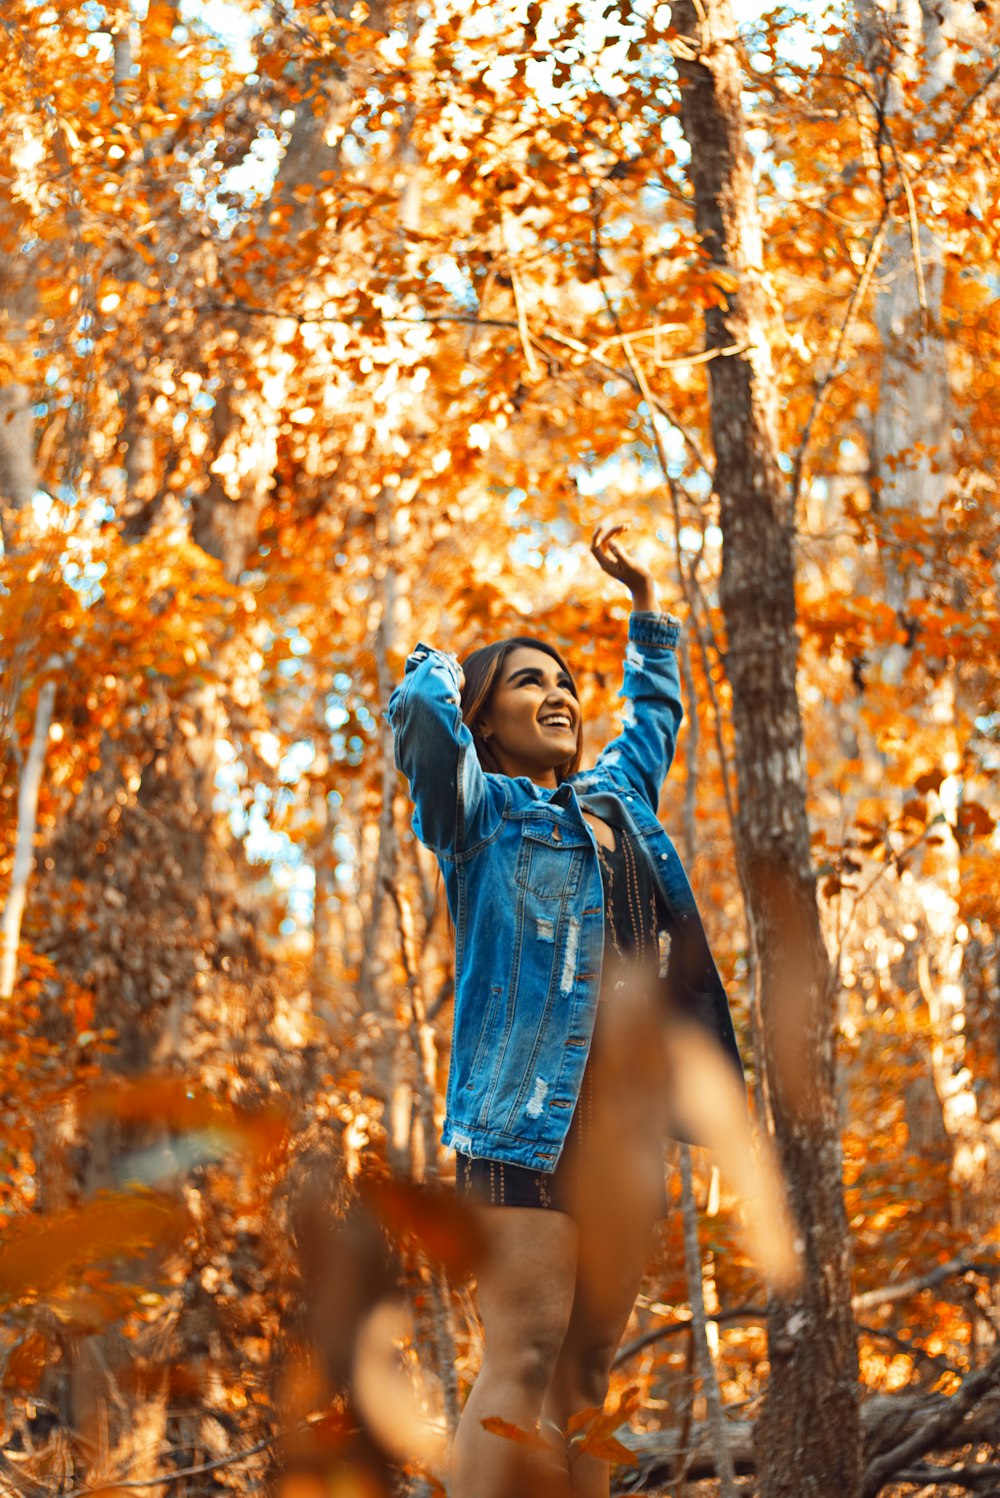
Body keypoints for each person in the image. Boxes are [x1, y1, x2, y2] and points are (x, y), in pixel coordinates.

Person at [386, 522, 744, 1498]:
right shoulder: (479, 815)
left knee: (589, 1379)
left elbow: (653, 711)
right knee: (526, 1352)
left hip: (625, 1121)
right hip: (522, 1118)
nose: (556, 694)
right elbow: (422, 722)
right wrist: (439, 672)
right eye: (526, 683)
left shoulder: (619, 797)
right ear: (486, 721)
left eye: (563, 683)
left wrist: (642, 601)